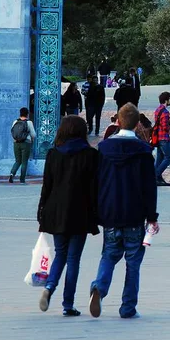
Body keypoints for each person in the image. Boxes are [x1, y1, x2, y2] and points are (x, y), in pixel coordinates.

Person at [89, 103, 159, 319]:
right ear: (138, 123)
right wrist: (152, 217)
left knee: (109, 255)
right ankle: (128, 307)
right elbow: (150, 187)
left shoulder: (104, 149)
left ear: (117, 122)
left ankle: (99, 287)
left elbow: (96, 182)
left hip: (110, 212)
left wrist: (96, 211)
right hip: (135, 214)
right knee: (133, 262)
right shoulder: (144, 152)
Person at [37, 115, 99, 316]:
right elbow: (94, 188)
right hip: (80, 211)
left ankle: (49, 288)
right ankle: (68, 304)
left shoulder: (53, 154)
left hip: (56, 210)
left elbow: (47, 185)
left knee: (60, 254)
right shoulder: (90, 155)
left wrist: (42, 210)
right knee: (73, 260)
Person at [9, 107, 36, 184]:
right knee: (24, 162)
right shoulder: (29, 122)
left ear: (20, 113)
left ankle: (12, 174)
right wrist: (31, 138)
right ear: (27, 114)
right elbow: (33, 135)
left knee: (17, 161)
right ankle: (22, 180)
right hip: (26, 143)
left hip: (16, 143)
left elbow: (12, 132)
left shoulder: (15, 121)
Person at [152, 91, 170, 186]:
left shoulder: (157, 110)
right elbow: (165, 127)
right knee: (169, 158)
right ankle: (155, 176)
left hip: (158, 137)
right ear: (166, 100)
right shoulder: (165, 112)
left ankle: (158, 179)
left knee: (159, 159)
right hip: (164, 137)